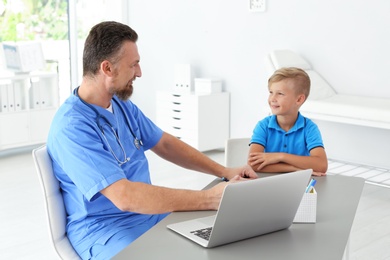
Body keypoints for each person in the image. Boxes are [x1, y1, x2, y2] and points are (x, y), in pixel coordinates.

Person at [46, 21, 257, 259]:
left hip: (148, 215)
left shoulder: (121, 105)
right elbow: (125, 197)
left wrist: (223, 170)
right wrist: (208, 198)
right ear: (107, 68)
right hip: (105, 231)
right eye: (133, 65)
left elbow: (164, 143)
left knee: (228, 239)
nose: (139, 72)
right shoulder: (72, 127)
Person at [248, 67, 328, 176]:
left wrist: (281, 156)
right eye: (271, 92)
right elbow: (253, 164)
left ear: (299, 99)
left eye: (280, 93)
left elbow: (321, 165)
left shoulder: (309, 128)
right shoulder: (263, 126)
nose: (272, 98)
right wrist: (293, 169)